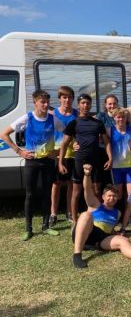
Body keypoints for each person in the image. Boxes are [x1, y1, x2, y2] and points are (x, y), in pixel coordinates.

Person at [71, 164, 131, 269]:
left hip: (100, 239)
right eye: (109, 196)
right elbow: (87, 189)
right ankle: (77, 255)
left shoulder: (117, 213)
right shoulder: (95, 204)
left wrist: (118, 233)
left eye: (114, 196)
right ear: (103, 197)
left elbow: (109, 229)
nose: (112, 198)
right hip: (87, 231)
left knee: (122, 240)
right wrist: (87, 175)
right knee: (86, 215)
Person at [0, 90, 59, 240]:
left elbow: (67, 133)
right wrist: (19, 151)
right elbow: (4, 134)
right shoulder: (28, 118)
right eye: (42, 102)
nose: (45, 105)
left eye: (47, 102)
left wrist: (57, 151)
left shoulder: (53, 118)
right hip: (32, 161)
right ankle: (28, 228)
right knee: (30, 194)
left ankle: (46, 226)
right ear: (35, 103)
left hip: (48, 161)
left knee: (46, 193)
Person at [58, 94, 112, 224]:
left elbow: (106, 142)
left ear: (90, 105)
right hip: (79, 160)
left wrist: (110, 158)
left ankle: (98, 219)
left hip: (95, 160)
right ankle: (75, 220)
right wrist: (60, 162)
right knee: (76, 191)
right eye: (83, 103)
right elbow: (64, 144)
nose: (85, 105)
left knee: (97, 190)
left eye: (88, 103)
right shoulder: (74, 123)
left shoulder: (98, 123)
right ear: (78, 105)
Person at [49, 86, 78, 226]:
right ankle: (53, 213)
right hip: (56, 153)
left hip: (72, 154)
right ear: (59, 99)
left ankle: (69, 212)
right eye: (64, 97)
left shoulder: (77, 114)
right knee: (56, 184)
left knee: (71, 184)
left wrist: (77, 143)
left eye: (70, 97)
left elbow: (80, 133)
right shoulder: (52, 114)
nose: (67, 100)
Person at [108, 107, 131, 201]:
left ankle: (129, 211)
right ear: (114, 118)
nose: (121, 119)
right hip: (116, 166)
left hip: (130, 165)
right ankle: (118, 210)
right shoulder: (110, 130)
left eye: (123, 117)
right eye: (118, 117)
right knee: (118, 195)